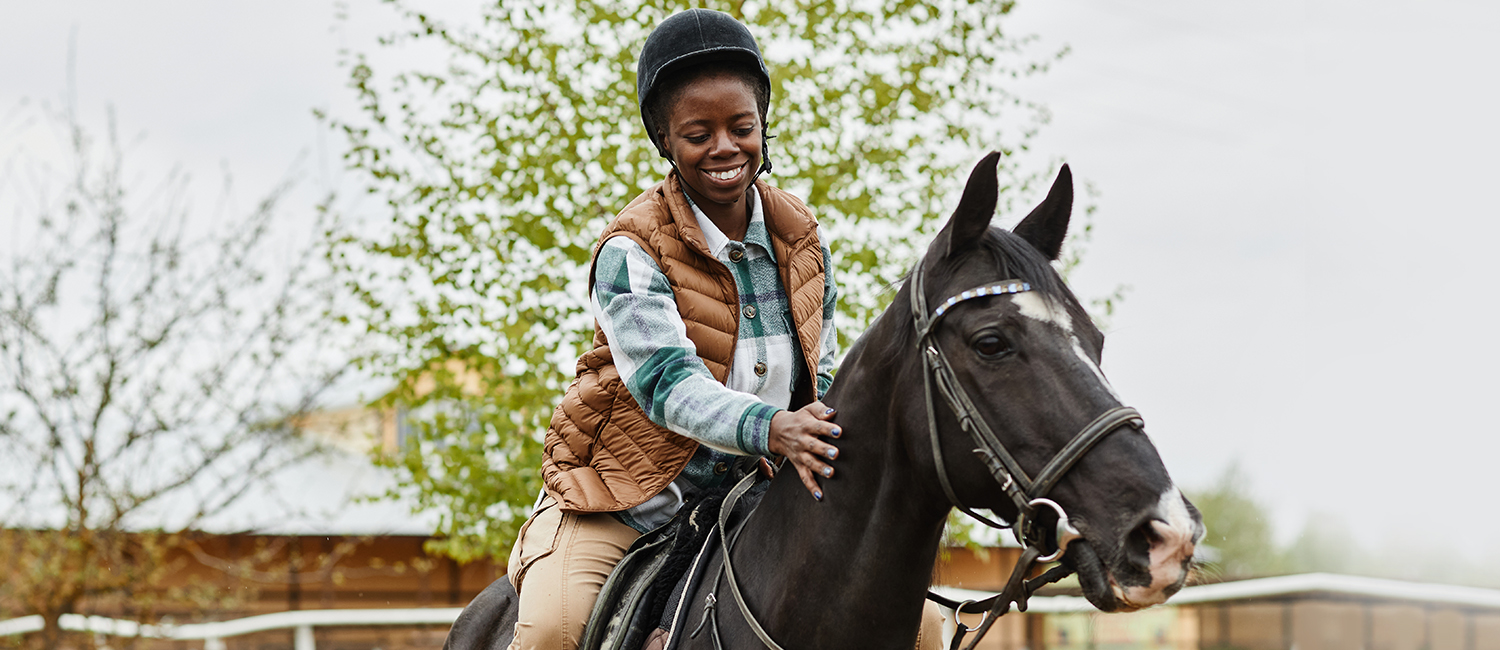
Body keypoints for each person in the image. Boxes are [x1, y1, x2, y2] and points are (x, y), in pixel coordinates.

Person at [504, 9, 943, 649]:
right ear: (664, 141)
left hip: (758, 494)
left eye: (741, 127)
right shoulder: (630, 250)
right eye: (697, 133)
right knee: (553, 631)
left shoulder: (803, 238)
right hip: (630, 498)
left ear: (763, 126)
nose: (724, 148)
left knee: (921, 625)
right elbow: (666, 387)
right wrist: (773, 428)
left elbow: (817, 370)